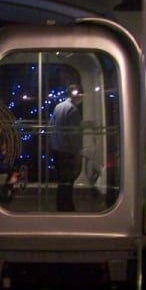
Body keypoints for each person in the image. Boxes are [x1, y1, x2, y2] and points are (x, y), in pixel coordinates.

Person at [49, 84, 83, 212]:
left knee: (62, 182)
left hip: (57, 149)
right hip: (68, 151)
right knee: (68, 182)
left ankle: (61, 206)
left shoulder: (58, 107)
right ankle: (67, 208)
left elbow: (51, 125)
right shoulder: (73, 110)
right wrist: (78, 152)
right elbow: (74, 134)